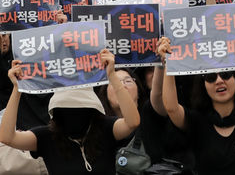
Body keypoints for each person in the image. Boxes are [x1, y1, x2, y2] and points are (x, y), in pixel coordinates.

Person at [157, 26, 235, 175]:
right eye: (210, 77)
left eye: (226, 74)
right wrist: (169, 63)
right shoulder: (197, 120)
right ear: (203, 86)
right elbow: (171, 108)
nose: (219, 81)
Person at [0, 50, 141, 175]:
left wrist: (112, 77)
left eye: (81, 107)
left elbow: (133, 121)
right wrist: (17, 88)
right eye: (66, 108)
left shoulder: (106, 128)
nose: (74, 113)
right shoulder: (46, 137)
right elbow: (7, 137)